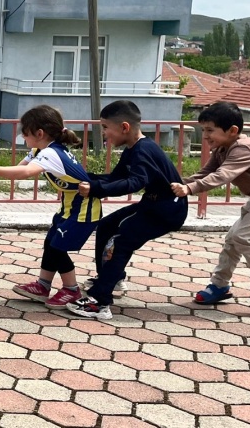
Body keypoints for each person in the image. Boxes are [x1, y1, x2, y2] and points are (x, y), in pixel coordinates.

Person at [66, 100, 188, 321]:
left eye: (105, 127)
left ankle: (99, 302)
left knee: (121, 241)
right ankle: (110, 277)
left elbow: (134, 183)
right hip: (153, 205)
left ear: (124, 127)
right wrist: (85, 178)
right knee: (107, 226)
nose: (103, 133)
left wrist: (95, 189)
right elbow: (116, 178)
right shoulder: (133, 149)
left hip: (166, 211)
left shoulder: (143, 151)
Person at [0, 105, 100, 309]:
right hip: (69, 208)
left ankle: (71, 290)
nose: (24, 139)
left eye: (25, 135)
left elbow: (26, 174)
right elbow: (21, 167)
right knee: (50, 243)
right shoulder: (42, 149)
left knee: (58, 248)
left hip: (83, 211)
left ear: (39, 133)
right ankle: (43, 285)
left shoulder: (51, 154)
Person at [173, 101, 250, 309]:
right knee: (233, 240)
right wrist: (182, 183)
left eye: (210, 130)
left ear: (233, 130)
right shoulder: (222, 148)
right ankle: (219, 286)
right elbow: (206, 173)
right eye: (203, 130)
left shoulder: (244, 148)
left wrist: (190, 189)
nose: (206, 136)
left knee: (242, 236)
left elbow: (223, 176)